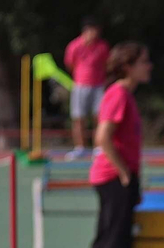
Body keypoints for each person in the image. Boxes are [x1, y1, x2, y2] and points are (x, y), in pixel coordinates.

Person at [81, 42, 152, 248]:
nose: (149, 66)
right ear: (128, 66)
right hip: (114, 177)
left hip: (115, 176)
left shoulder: (124, 95)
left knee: (105, 238)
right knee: (116, 242)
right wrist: (124, 173)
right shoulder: (119, 94)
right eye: (144, 61)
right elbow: (102, 137)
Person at [63, 16, 109, 158]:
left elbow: (106, 64)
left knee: (99, 118)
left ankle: (99, 146)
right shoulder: (74, 46)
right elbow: (70, 64)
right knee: (79, 118)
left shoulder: (102, 46)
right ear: (87, 30)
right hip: (80, 86)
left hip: (98, 86)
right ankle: (80, 147)